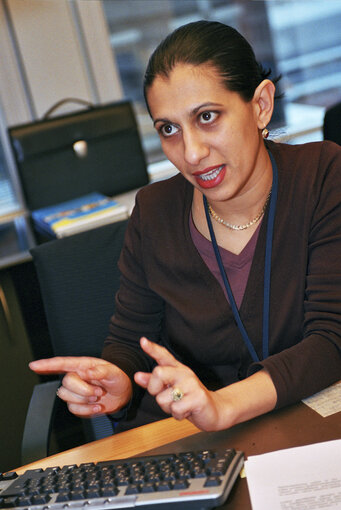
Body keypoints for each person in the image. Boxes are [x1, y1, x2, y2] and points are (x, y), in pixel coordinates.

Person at [30, 20, 341, 434]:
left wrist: (223, 405)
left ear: (260, 105)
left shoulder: (322, 175)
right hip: (194, 445)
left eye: (208, 116)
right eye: (169, 129)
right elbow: (131, 344)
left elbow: (331, 340)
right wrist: (120, 382)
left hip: (306, 432)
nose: (191, 153)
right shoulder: (154, 211)